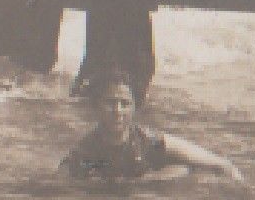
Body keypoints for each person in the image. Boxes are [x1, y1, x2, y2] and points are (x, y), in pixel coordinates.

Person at [62, 72, 241, 182]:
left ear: (134, 108)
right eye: (110, 103)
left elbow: (220, 163)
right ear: (96, 107)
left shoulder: (149, 141)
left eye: (125, 103)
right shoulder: (83, 154)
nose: (118, 111)